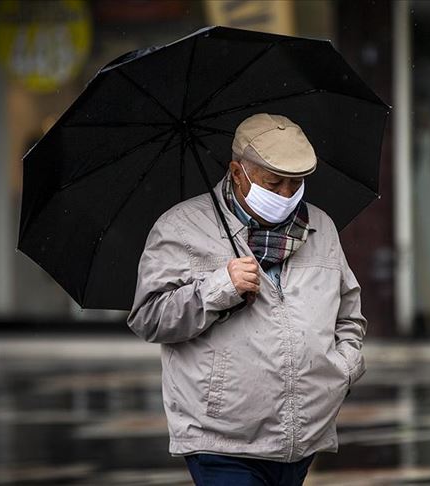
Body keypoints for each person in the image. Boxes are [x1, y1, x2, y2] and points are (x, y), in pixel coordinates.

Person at [127, 113, 367, 485]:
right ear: (238, 173)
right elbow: (149, 317)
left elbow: (348, 314)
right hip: (221, 440)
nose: (286, 194)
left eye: (296, 183)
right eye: (274, 183)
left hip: (303, 435)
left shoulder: (321, 226)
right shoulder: (180, 227)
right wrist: (219, 288)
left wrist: (342, 370)